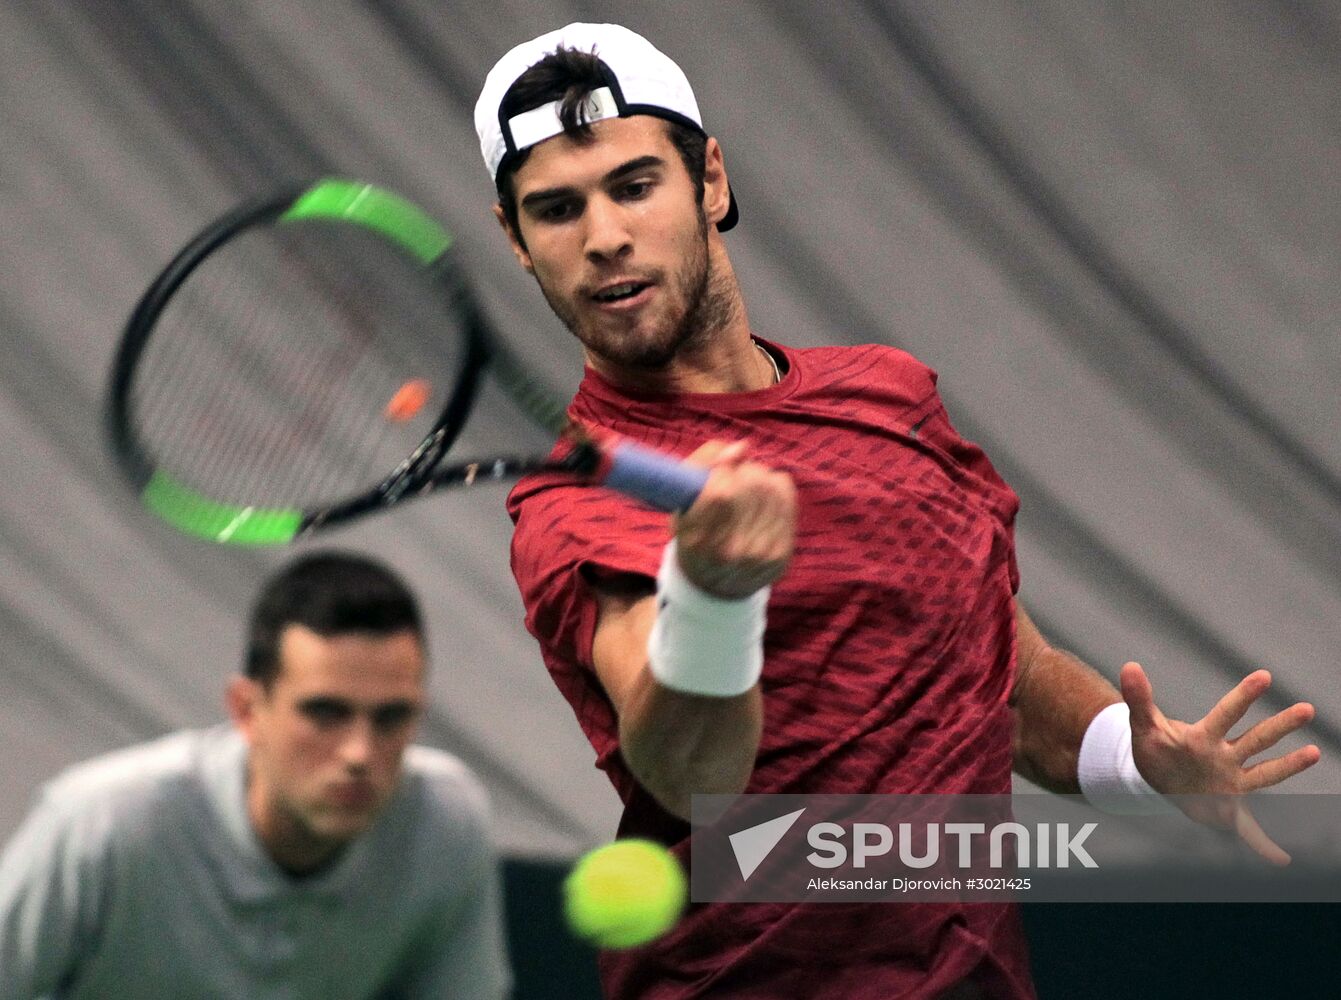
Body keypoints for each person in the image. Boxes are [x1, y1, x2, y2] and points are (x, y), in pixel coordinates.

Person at [477, 22, 1320, 1000]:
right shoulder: (578, 501)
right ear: (518, 241)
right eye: (556, 209)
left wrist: (1135, 765)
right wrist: (711, 594)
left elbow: (1008, 677)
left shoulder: (888, 398)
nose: (604, 237)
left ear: (710, 179)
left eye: (633, 186)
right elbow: (688, 772)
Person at [0, 551, 511, 999]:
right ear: (247, 709)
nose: (359, 752)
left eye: (392, 717)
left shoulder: (447, 822)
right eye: (325, 713)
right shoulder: (100, 823)